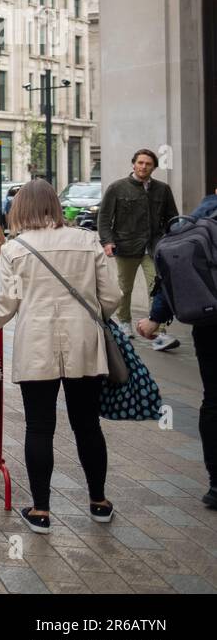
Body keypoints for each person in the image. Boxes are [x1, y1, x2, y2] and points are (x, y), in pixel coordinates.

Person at [0, 179, 121, 534]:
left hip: (37, 345)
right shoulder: (87, 240)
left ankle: (41, 510)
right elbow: (113, 296)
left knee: (40, 427)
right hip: (84, 344)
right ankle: (99, 502)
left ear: (22, 209)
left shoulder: (17, 249)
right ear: (56, 206)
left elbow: (7, 303)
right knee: (88, 425)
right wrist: (92, 314)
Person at [138, 185, 217, 507]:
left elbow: (176, 264)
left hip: (209, 321)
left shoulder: (204, 212)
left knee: (213, 399)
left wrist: (157, 316)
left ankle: (215, 485)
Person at [98, 149, 180, 347]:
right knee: (125, 288)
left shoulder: (163, 189)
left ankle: (158, 332)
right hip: (126, 246)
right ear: (133, 164)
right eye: (140, 163)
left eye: (148, 164)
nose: (144, 167)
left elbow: (172, 218)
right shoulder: (117, 188)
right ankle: (125, 322)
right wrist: (107, 242)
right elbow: (104, 218)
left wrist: (173, 240)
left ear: (153, 167)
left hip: (154, 247)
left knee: (158, 287)